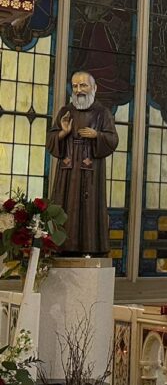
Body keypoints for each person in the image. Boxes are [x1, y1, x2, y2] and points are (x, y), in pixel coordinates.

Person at [45, 71, 119, 255]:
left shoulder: (103, 113)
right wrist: (62, 133)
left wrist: (97, 136)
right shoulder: (65, 111)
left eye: (83, 85)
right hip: (67, 171)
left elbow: (113, 139)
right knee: (64, 204)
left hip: (90, 171)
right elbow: (51, 140)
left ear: (94, 88)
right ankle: (60, 248)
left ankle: (91, 248)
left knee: (89, 208)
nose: (79, 90)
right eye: (75, 85)